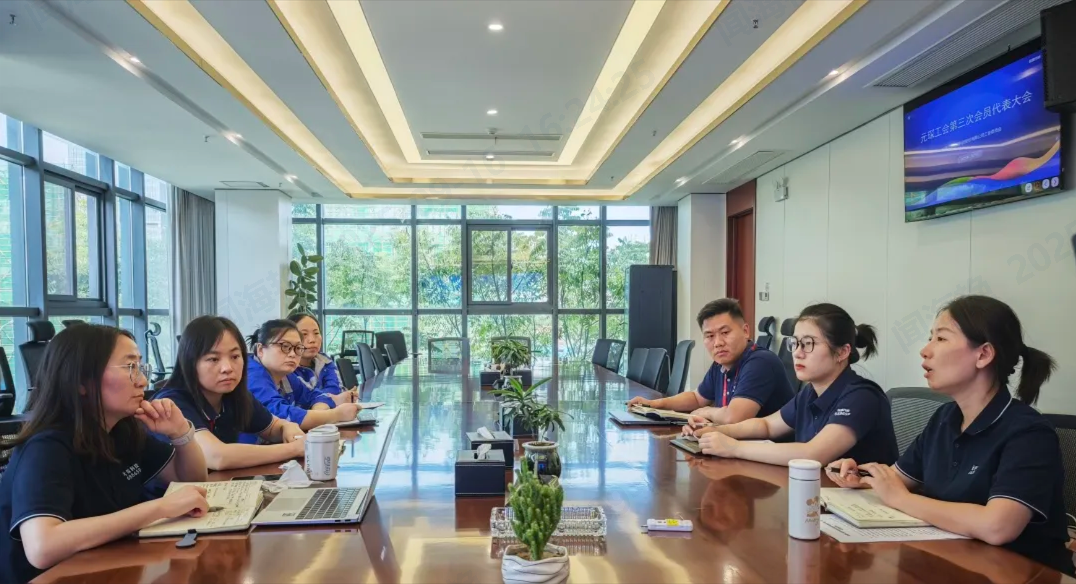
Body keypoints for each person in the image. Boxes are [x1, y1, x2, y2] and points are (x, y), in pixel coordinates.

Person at [828, 295, 1073, 576]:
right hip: (949, 561)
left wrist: (902, 499)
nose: (925, 351)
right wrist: (860, 477)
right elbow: (896, 480)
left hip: (1017, 573)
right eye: (929, 338)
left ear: (983, 354)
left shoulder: (1029, 433)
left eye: (941, 338)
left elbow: (998, 526)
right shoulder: (945, 417)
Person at [0, 325, 209, 584]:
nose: (142, 381)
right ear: (81, 382)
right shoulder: (46, 447)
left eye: (140, 367)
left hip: (103, 568)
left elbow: (191, 479)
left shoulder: (122, 430)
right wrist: (159, 508)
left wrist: (181, 433)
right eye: (130, 367)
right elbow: (43, 547)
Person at [690, 303, 898, 467]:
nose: (797, 353)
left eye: (808, 344)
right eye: (795, 343)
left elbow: (813, 454)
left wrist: (734, 448)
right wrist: (715, 431)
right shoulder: (810, 393)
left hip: (864, 503)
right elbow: (767, 426)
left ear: (842, 352)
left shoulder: (861, 396)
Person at [152, 316, 309, 471]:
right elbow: (217, 457)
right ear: (190, 362)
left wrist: (287, 426)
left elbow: (273, 426)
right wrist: (294, 449)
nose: (227, 368)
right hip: (173, 488)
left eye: (235, 356)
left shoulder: (233, 395)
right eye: (213, 359)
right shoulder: (171, 403)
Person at [628, 299, 793, 426]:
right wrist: (655, 404)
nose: (718, 343)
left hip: (772, 454)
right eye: (710, 336)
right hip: (734, 446)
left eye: (725, 332)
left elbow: (734, 418)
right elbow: (697, 398)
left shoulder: (760, 362)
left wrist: (706, 411)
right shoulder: (720, 365)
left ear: (745, 331)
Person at [246, 319, 360, 430]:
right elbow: (279, 417)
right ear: (260, 350)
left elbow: (314, 395)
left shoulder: (286, 375)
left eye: (298, 348)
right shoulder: (251, 375)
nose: (292, 354)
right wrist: (335, 415)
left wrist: (319, 410)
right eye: (284, 346)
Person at [287, 311, 357, 402]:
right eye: (304, 334)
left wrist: (336, 398)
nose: (312, 340)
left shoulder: (324, 360)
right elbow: (306, 399)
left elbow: (335, 388)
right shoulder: (287, 368)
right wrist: (336, 399)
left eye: (316, 333)